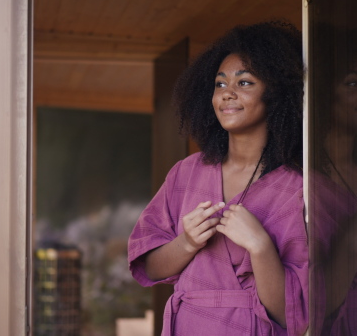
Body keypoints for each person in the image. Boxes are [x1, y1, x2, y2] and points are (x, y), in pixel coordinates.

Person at [128, 21, 308, 335]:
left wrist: (260, 246)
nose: (227, 94)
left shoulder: (298, 188)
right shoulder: (187, 172)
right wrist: (186, 242)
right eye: (220, 84)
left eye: (245, 83)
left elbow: (289, 314)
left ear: (277, 94)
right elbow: (150, 268)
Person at [308, 26, 357, 335]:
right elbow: (308, 304)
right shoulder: (301, 184)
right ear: (323, 93)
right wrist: (352, 244)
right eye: (353, 82)